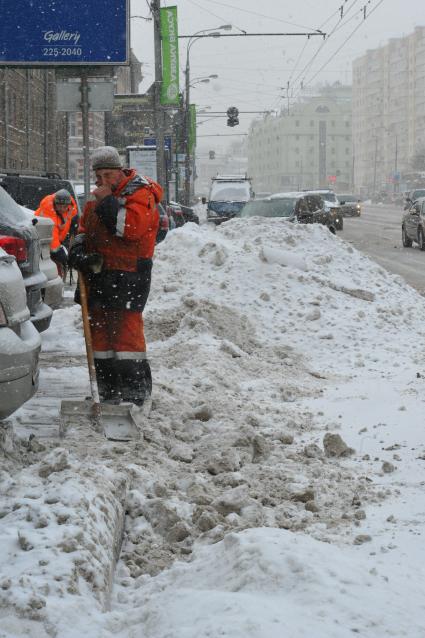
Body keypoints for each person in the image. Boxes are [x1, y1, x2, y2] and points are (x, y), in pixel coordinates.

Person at [68, 145, 163, 407]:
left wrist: (107, 200)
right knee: (99, 333)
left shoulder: (140, 193)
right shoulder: (96, 195)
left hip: (129, 273)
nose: (102, 181)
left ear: (120, 171)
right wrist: (78, 248)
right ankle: (107, 391)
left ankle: (135, 392)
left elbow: (129, 229)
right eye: (98, 176)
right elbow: (84, 226)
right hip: (99, 273)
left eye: (108, 175)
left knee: (125, 335)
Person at [35, 189, 78, 275]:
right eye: (59, 206)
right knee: (52, 270)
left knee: (59, 266)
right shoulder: (49, 211)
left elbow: (66, 221)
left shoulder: (70, 209)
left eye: (64, 206)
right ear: (55, 204)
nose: (62, 209)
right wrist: (56, 250)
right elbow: (52, 233)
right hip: (43, 242)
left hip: (57, 240)